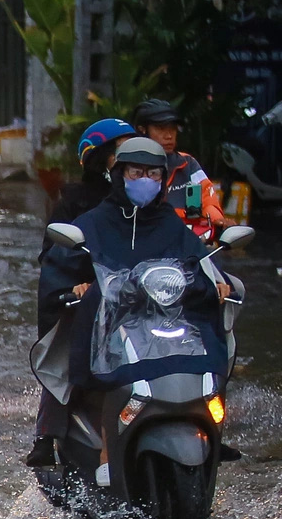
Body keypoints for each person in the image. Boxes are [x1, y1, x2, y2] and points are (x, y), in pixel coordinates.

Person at [35, 136, 235, 483]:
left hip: (166, 325)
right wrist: (76, 288)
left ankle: (209, 425)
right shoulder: (93, 222)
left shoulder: (170, 224)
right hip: (112, 328)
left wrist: (216, 281)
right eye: (137, 172)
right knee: (85, 357)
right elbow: (60, 266)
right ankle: (102, 448)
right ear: (119, 174)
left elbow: (197, 260)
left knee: (210, 338)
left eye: (154, 174)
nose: (146, 180)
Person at [24, 118, 136, 466]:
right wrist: (79, 283)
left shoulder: (144, 203)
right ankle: (47, 433)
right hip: (90, 299)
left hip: (136, 296)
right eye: (121, 153)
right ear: (100, 158)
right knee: (67, 351)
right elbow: (53, 256)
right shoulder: (74, 203)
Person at [133, 97, 227, 240]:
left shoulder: (187, 163)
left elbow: (207, 199)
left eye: (173, 129)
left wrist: (217, 221)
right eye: (161, 129)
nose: (169, 136)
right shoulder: (128, 167)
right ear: (142, 130)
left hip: (187, 247)